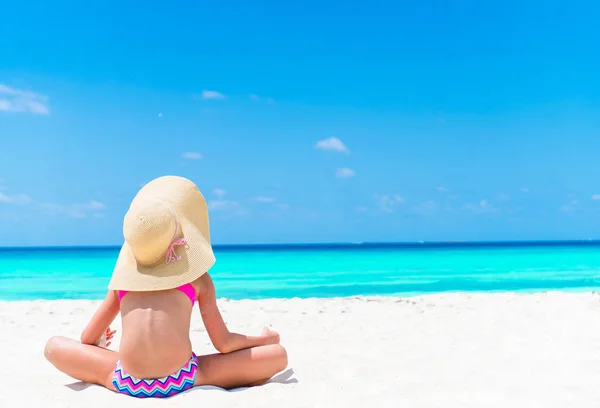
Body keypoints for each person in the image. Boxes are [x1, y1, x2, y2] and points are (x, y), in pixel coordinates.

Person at [44, 175, 288, 398]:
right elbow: (223, 343)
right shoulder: (198, 280)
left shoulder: (122, 283)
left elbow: (87, 339)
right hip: (182, 378)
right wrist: (263, 338)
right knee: (278, 355)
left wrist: (100, 343)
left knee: (54, 345)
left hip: (125, 380)